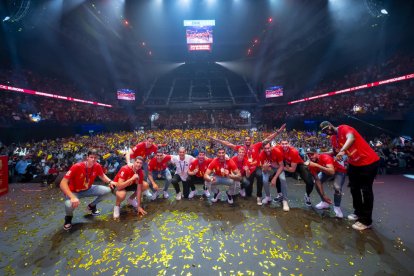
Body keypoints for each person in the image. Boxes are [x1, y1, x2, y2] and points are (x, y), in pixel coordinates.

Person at [320, 121, 379, 231]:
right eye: (324, 132)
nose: (327, 132)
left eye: (327, 129)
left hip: (368, 162)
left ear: (330, 125)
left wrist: (342, 151)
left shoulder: (344, 128)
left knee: (366, 190)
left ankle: (366, 221)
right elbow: (334, 152)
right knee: (354, 188)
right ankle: (358, 213)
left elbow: (351, 139)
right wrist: (319, 154)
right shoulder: (333, 139)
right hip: (354, 164)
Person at [209, 124, 286, 202]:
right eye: (246, 140)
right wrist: (217, 140)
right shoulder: (241, 148)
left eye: (248, 140)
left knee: (260, 176)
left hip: (256, 167)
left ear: (251, 140)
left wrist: (278, 132)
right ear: (244, 141)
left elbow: (268, 139)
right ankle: (243, 189)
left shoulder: (256, 145)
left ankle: (259, 196)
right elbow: (228, 144)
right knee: (247, 189)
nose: (247, 141)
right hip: (247, 169)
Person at [59, 149, 116, 230]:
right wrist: (72, 197)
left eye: (95, 157)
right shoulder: (77, 166)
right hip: (75, 192)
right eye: (91, 157)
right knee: (68, 205)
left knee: (108, 190)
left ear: (97, 158)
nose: (93, 159)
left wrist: (110, 181)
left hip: (88, 188)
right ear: (87, 157)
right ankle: (68, 218)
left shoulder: (97, 165)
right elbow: (62, 183)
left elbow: (102, 176)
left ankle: (92, 206)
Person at [277, 140, 321, 207]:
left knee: (310, 182)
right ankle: (280, 194)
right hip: (287, 165)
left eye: (286, 143)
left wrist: (282, 167)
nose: (284, 145)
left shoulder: (294, 151)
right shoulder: (277, 148)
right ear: (280, 144)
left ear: (289, 144)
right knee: (276, 176)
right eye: (282, 144)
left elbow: (292, 169)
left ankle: (307, 196)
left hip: (298, 165)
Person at [306, 148, 347, 218]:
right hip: (325, 171)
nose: (310, 156)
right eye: (308, 155)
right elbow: (317, 179)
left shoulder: (324, 157)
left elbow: (332, 171)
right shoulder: (311, 164)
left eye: (312, 154)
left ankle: (337, 207)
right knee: (316, 183)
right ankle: (324, 202)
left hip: (339, 171)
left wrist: (316, 165)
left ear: (317, 153)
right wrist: (323, 195)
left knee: (337, 187)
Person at [259, 143, 289, 211]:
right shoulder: (261, 154)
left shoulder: (277, 151)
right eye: (265, 148)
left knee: (283, 179)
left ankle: (285, 200)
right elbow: (263, 170)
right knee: (264, 180)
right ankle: (268, 196)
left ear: (271, 147)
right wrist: (265, 168)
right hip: (269, 167)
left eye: (268, 148)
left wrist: (274, 178)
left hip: (278, 167)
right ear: (263, 148)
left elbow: (281, 166)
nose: (267, 150)